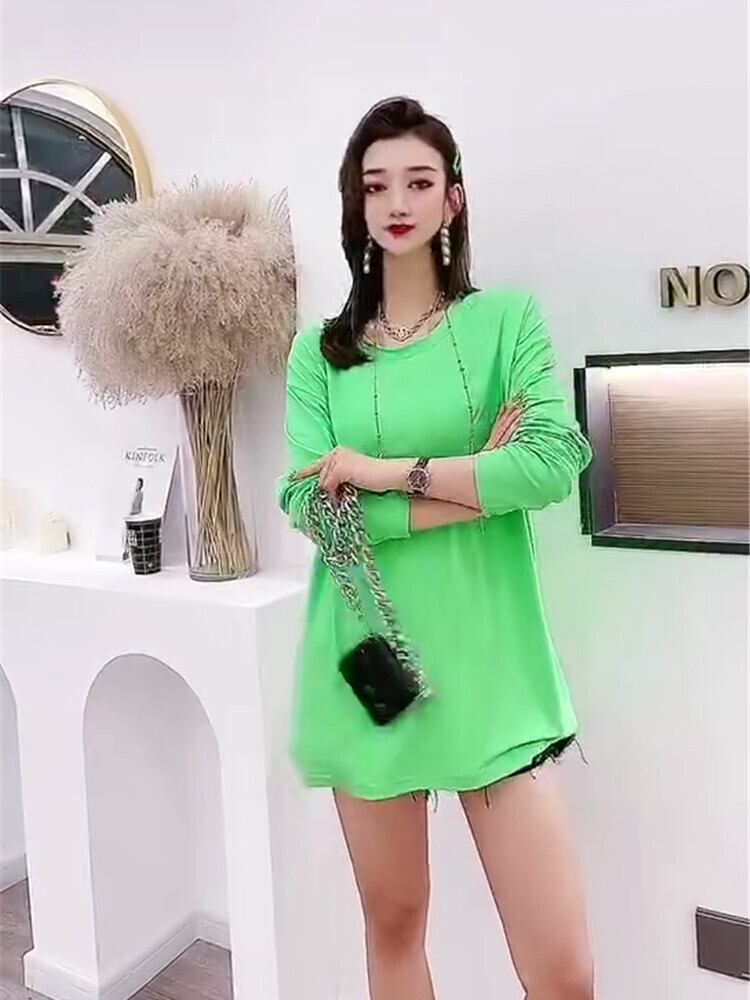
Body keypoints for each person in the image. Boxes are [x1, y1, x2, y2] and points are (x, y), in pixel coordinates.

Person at [277, 96, 595, 1000]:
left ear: (452, 198)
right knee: (394, 927)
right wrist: (473, 487)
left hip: (492, 669)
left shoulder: (507, 323)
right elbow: (309, 507)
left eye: (418, 182)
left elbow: (551, 463)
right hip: (370, 669)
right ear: (356, 203)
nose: (397, 202)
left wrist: (377, 472)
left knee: (564, 974)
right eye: (376, 185)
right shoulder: (320, 354)